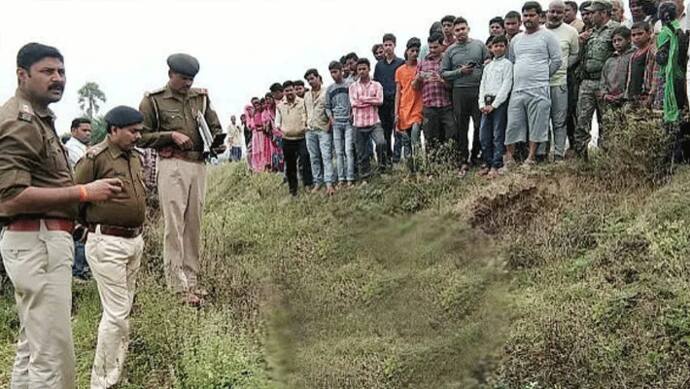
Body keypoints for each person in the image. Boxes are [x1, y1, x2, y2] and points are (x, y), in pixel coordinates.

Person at [0, 42, 122, 389]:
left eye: (62, 72)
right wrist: (84, 192)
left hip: (43, 240)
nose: (58, 79)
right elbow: (10, 197)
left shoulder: (38, 118)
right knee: (52, 354)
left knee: (33, 347)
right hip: (37, 241)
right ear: (22, 75)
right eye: (47, 71)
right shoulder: (21, 121)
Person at [138, 53, 224, 305]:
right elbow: (141, 135)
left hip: (198, 164)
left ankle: (192, 280)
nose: (188, 83)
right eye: (184, 78)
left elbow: (214, 126)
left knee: (194, 223)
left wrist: (218, 142)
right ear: (170, 75)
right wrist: (169, 136)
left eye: (191, 79)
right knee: (174, 225)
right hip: (172, 164)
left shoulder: (201, 98)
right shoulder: (153, 101)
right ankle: (176, 286)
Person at [74, 106, 146, 389]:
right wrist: (82, 230)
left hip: (133, 241)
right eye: (132, 131)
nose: (138, 136)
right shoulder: (94, 159)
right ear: (114, 130)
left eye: (140, 131)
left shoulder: (135, 158)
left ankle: (114, 370)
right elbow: (74, 196)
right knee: (116, 314)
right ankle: (101, 382)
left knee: (123, 311)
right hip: (107, 242)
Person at [504, 1, 563, 167]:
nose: (528, 18)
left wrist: (542, 76)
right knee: (513, 125)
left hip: (539, 89)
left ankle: (531, 159)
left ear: (540, 16)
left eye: (531, 15)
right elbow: (513, 61)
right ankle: (510, 159)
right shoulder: (516, 40)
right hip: (518, 89)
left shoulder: (548, 36)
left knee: (537, 125)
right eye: (525, 15)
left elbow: (557, 61)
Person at [442, 16, 490, 175]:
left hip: (478, 91)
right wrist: (459, 72)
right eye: (457, 30)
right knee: (461, 128)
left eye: (463, 29)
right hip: (459, 92)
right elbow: (443, 73)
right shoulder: (450, 50)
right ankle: (463, 160)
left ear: (468, 28)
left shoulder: (479, 45)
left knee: (479, 125)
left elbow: (489, 63)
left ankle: (477, 156)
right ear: (453, 33)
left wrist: (482, 68)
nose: (460, 32)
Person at [573, 0, 619, 158]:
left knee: (606, 121)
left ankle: (607, 157)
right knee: (582, 120)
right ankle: (581, 159)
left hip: (605, 83)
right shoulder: (590, 32)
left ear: (604, 13)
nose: (589, 16)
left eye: (593, 13)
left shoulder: (615, 29)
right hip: (587, 81)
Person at [541, 0, 580, 162]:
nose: (555, 15)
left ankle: (558, 154)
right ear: (547, 13)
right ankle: (541, 154)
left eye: (559, 12)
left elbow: (575, 54)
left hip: (560, 83)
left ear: (564, 14)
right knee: (542, 121)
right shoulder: (539, 31)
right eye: (552, 12)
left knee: (559, 121)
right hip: (540, 84)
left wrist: (562, 67)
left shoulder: (571, 32)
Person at [655, 0, 690, 161]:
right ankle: (683, 154)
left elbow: (662, 59)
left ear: (663, 15)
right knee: (681, 115)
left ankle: (672, 156)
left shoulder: (665, 32)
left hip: (667, 80)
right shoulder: (681, 31)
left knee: (667, 119)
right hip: (680, 78)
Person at [415, 32, 457, 161]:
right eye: (430, 48)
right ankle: (433, 167)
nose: (432, 50)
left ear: (442, 46)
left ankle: (450, 163)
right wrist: (418, 78)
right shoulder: (422, 63)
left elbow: (453, 85)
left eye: (435, 47)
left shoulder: (448, 60)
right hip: (429, 106)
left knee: (451, 134)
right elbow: (415, 87)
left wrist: (441, 80)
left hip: (446, 105)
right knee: (430, 138)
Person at [478, 35, 513, 178]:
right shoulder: (488, 66)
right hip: (486, 102)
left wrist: (494, 104)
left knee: (498, 134)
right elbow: (482, 85)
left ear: (505, 47)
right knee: (484, 135)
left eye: (501, 46)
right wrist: (481, 104)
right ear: (491, 48)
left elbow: (506, 85)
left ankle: (496, 165)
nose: (497, 48)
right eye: (495, 46)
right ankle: (487, 162)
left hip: (499, 103)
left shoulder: (507, 65)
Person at [65, 117, 93, 281]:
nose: (88, 133)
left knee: (86, 232)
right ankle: (79, 270)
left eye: (89, 130)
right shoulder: (72, 149)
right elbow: (84, 167)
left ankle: (83, 269)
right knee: (80, 232)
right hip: (78, 194)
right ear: (73, 131)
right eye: (84, 130)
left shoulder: (85, 148)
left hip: (88, 193)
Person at [350, 58, 387, 179]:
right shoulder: (352, 87)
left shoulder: (377, 85)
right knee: (361, 152)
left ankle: (382, 169)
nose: (361, 71)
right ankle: (365, 176)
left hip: (374, 122)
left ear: (369, 69)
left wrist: (364, 99)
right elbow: (354, 103)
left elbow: (380, 101)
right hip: (358, 123)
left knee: (381, 143)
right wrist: (372, 100)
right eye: (359, 69)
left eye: (364, 68)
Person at [374, 33, 405, 165]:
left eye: (390, 45)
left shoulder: (401, 63)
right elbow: (375, 84)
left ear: (394, 45)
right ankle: (387, 158)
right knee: (385, 131)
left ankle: (397, 158)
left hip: (397, 101)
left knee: (397, 130)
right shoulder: (379, 65)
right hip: (383, 103)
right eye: (385, 45)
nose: (387, 47)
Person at [304, 69, 335, 194]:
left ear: (318, 78)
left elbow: (331, 109)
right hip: (310, 130)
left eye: (312, 78)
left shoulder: (327, 91)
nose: (311, 81)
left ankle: (329, 183)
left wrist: (329, 124)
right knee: (314, 157)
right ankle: (318, 182)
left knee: (326, 156)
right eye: (308, 80)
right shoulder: (306, 95)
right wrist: (305, 124)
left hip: (323, 129)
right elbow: (305, 111)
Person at [275, 81, 309, 196]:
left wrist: (305, 127)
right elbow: (277, 123)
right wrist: (283, 130)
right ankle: (293, 190)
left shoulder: (303, 102)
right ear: (284, 92)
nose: (289, 92)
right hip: (287, 140)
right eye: (287, 90)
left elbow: (307, 116)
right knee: (290, 166)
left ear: (294, 90)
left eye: (291, 90)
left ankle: (308, 185)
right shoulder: (280, 106)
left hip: (302, 138)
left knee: (305, 161)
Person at [325, 61, 356, 186]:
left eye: (335, 71)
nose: (334, 75)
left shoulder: (350, 85)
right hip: (336, 123)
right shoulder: (330, 89)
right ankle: (341, 178)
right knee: (338, 152)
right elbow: (327, 106)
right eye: (331, 72)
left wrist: (352, 112)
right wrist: (331, 118)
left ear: (341, 71)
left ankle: (350, 178)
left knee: (349, 150)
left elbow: (355, 100)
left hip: (348, 122)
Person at [394, 38, 424, 167]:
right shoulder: (400, 70)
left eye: (417, 51)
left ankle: (419, 166)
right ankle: (410, 169)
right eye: (412, 50)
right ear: (406, 51)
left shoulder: (421, 66)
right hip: (404, 108)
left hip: (418, 107)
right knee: (406, 141)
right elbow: (398, 93)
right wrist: (396, 113)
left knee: (415, 137)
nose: (415, 53)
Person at [601, 26, 635, 111]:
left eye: (620, 40)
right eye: (614, 41)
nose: (616, 43)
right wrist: (605, 94)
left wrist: (623, 95)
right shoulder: (610, 60)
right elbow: (603, 80)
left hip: (627, 100)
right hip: (610, 100)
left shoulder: (633, 56)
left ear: (628, 40)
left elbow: (634, 80)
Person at [626, 21, 656, 106]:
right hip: (633, 96)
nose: (637, 37)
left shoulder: (652, 52)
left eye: (640, 34)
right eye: (633, 35)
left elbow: (655, 75)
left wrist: (651, 94)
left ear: (649, 33)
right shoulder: (633, 54)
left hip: (645, 96)